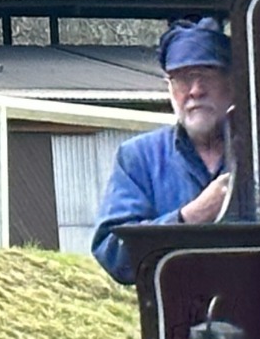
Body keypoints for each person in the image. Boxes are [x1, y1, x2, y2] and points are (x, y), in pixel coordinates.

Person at [94, 17, 236, 285]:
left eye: (206, 75)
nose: (195, 91)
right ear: (169, 88)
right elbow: (112, 252)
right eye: (182, 79)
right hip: (173, 317)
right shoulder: (138, 157)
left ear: (232, 82)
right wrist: (187, 218)